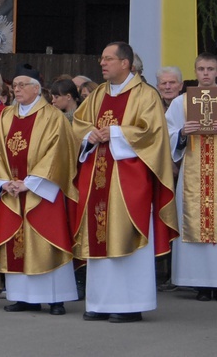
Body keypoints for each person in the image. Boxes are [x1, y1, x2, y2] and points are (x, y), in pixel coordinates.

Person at [73, 41, 178, 323]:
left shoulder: (146, 95)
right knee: (100, 236)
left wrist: (116, 133)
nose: (103, 63)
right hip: (98, 177)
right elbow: (79, 123)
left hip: (128, 180)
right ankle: (99, 302)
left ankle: (131, 304)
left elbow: (153, 134)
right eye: (102, 58)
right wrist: (90, 135)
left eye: (108, 59)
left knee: (126, 235)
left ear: (125, 63)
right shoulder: (97, 94)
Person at [0, 69, 78, 315]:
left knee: (46, 238)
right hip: (12, 192)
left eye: (23, 84)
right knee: (16, 242)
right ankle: (23, 297)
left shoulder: (53, 116)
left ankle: (56, 298)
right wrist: (4, 181)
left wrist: (30, 183)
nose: (17, 89)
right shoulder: (6, 115)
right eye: (15, 85)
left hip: (41, 192)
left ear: (37, 89)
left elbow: (58, 154)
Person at [165, 53, 217, 300]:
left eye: (210, 69)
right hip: (193, 170)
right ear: (195, 72)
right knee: (193, 219)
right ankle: (200, 282)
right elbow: (168, 134)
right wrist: (183, 133)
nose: (206, 73)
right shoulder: (181, 103)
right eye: (201, 69)